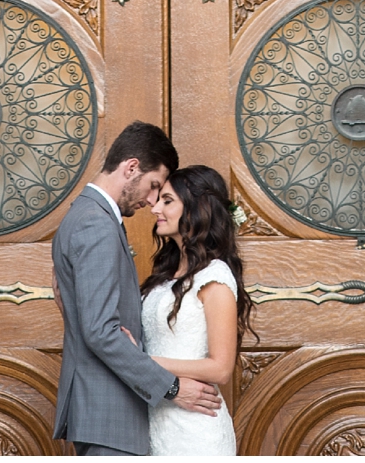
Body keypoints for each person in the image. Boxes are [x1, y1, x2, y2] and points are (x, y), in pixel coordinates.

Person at [52, 122, 223, 456]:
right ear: (131, 167)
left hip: (108, 413)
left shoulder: (86, 215)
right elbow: (101, 332)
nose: (151, 200)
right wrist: (173, 388)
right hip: (108, 413)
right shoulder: (95, 223)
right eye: (153, 185)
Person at [141, 164, 251, 456]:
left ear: (195, 209)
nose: (155, 209)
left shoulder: (214, 276)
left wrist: (142, 362)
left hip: (196, 431)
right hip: (158, 421)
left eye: (167, 201)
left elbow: (221, 368)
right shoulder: (165, 273)